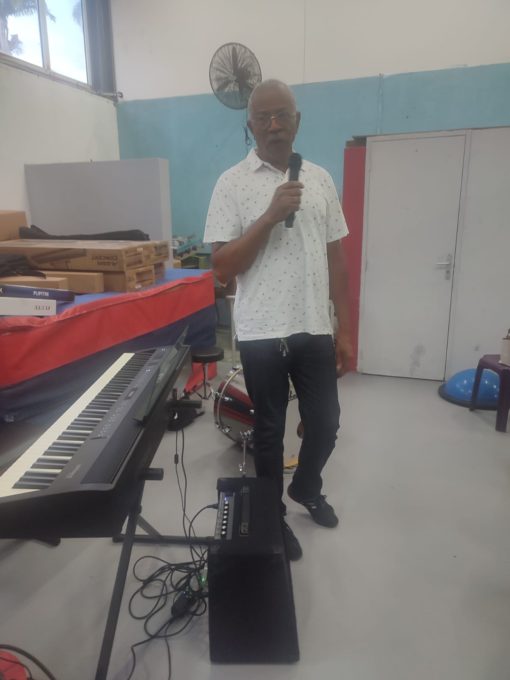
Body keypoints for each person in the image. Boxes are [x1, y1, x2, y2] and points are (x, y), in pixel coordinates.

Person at [204, 79, 352, 561]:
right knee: (268, 433)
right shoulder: (230, 184)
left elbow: (337, 261)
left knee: (325, 424)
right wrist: (269, 216)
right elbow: (222, 267)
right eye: (263, 118)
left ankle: (306, 486)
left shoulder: (322, 180)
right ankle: (273, 516)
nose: (273, 125)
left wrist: (346, 329)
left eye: (282, 115)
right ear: (250, 126)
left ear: (297, 121)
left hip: (314, 326)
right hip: (261, 332)